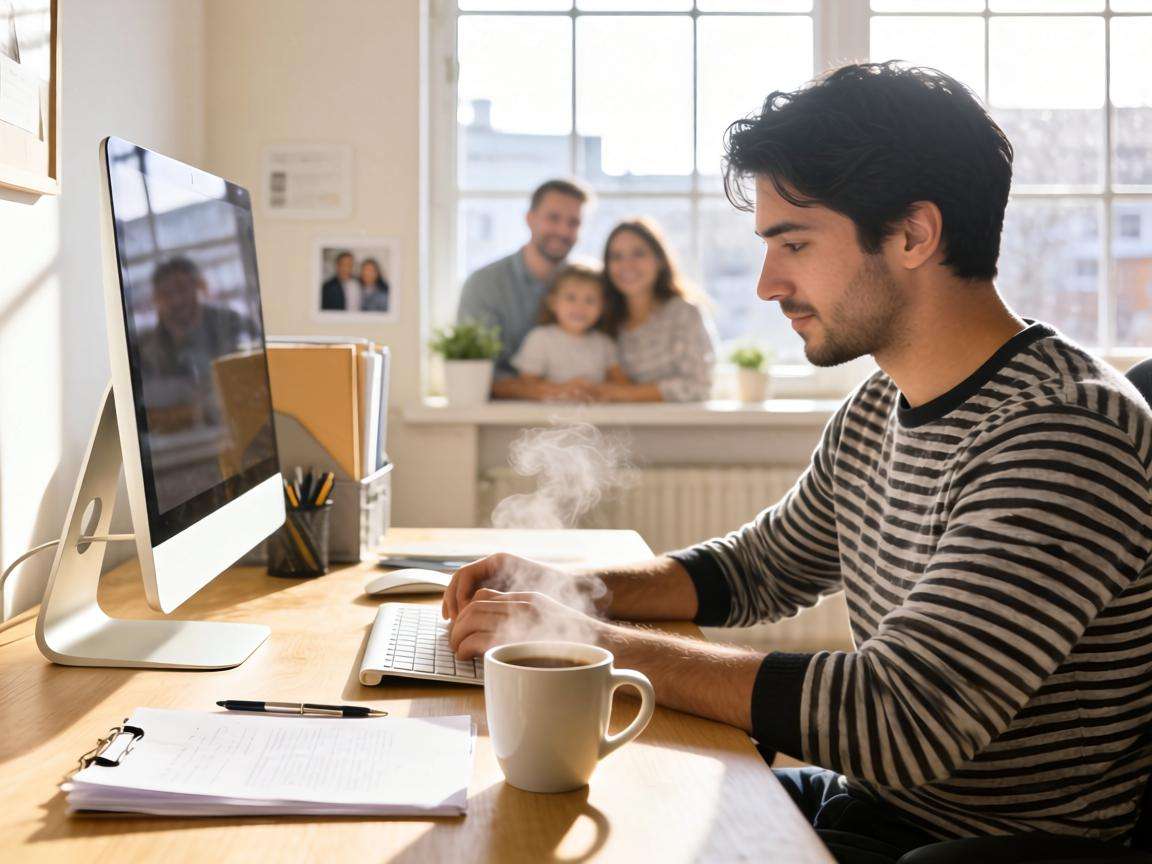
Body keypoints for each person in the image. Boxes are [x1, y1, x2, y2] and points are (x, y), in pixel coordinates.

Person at [441, 62, 1152, 861]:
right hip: (877, 811)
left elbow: (899, 718)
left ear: (915, 234)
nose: (768, 283)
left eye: (795, 243)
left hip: (979, 846)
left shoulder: (1063, 431)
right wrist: (547, 591)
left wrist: (589, 645)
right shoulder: (878, 408)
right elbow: (755, 571)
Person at [457, 179, 591, 400]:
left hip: (581, 410)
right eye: (553, 218)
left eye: (574, 222)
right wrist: (544, 390)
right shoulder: (484, 284)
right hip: (501, 418)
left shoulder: (591, 285)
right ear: (529, 219)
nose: (563, 230)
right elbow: (473, 372)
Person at [595, 219, 715, 402]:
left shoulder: (684, 313)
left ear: (659, 260)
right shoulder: (602, 316)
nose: (627, 264)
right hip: (615, 426)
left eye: (638, 253)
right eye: (616, 256)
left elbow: (698, 386)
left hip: (674, 427)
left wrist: (625, 393)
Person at [509, 263, 629, 398]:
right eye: (571, 298)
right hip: (548, 416)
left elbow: (622, 383)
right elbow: (527, 383)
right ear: (553, 303)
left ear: (602, 307)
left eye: (590, 300)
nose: (580, 306)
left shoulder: (604, 343)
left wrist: (595, 389)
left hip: (595, 415)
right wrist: (563, 388)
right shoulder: (540, 338)